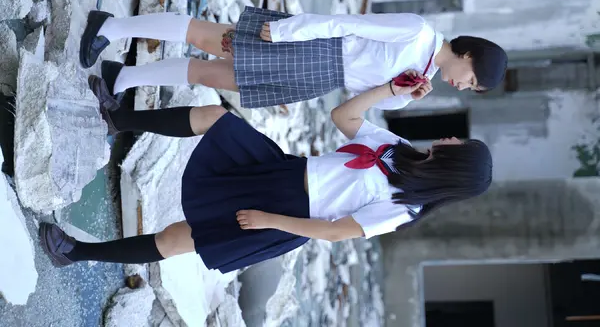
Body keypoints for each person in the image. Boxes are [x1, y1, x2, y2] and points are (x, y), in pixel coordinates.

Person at [40, 71, 493, 272]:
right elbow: (344, 117)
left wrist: (270, 220)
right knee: (216, 118)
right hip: (283, 171)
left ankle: (75, 252)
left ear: (457, 165)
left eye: (460, 145)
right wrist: (389, 90)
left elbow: (335, 232)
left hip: (288, 211)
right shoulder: (400, 151)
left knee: (181, 238)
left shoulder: (404, 208)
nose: (452, 138)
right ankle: (118, 118)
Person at [79, 7, 508, 110]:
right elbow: (347, 23)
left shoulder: (421, 78)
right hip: (313, 46)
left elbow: (362, 97)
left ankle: (123, 78)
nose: (463, 87)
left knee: (213, 78)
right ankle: (111, 27)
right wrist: (288, 30)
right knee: (209, 37)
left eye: (471, 89)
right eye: (472, 80)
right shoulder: (418, 32)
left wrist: (399, 95)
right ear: (469, 55)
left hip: (318, 78)